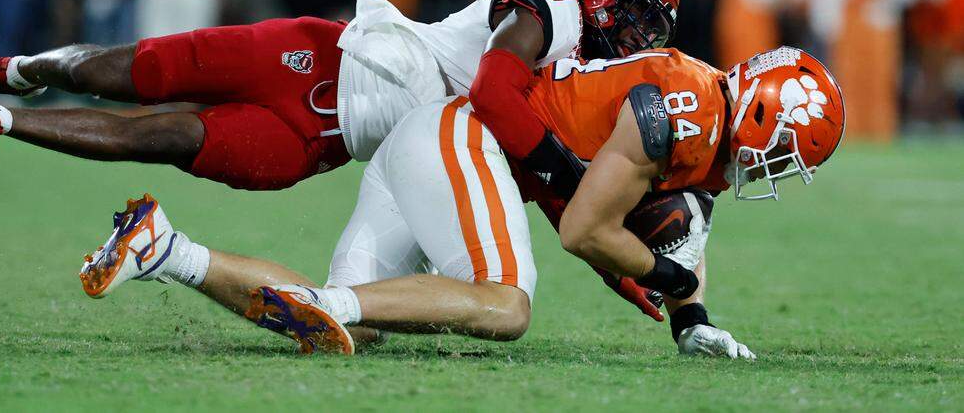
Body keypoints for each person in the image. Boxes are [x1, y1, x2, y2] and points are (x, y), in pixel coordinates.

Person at [77, 46, 845, 357]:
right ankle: (326, 301)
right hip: (459, 140)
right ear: (766, 116)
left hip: (434, 152)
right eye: (786, 151)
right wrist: (669, 279)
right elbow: (585, 229)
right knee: (506, 304)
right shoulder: (683, 110)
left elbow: (684, 232)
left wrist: (693, 320)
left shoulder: (706, 115)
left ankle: (164, 247)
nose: (773, 170)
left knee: (347, 325)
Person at [0, 0, 678, 197]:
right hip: (316, 56)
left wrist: (622, 259)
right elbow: (493, 91)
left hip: (320, 143)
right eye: (639, 12)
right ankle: (8, 68)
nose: (640, 35)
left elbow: (537, 167)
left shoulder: (579, 55)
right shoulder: (553, 5)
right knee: (138, 70)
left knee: (156, 138)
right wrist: (572, 176)